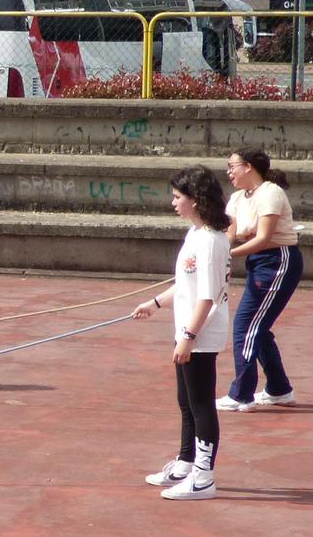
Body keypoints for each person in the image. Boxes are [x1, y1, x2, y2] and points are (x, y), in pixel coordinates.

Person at [130, 165, 232, 500]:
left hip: (200, 333)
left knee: (201, 403)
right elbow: (185, 285)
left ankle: (204, 477)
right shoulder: (195, 235)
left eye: (178, 197)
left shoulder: (213, 242)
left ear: (197, 200)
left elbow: (208, 295)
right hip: (187, 329)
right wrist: (155, 303)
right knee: (185, 400)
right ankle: (187, 461)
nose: (173, 203)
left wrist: (189, 336)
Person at [219, 148, 304, 413]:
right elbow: (231, 231)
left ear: (248, 166)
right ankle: (279, 389)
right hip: (258, 262)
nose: (229, 172)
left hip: (278, 261)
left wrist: (227, 255)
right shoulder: (236, 198)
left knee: (246, 325)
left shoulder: (270, 193)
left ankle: (242, 394)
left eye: (232, 166)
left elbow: (264, 237)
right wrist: (218, 251)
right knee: (259, 326)